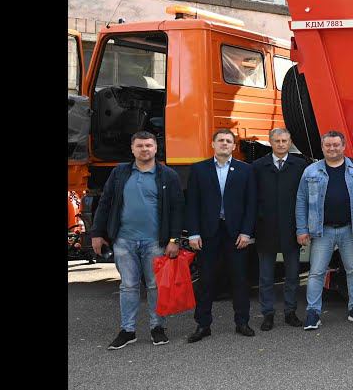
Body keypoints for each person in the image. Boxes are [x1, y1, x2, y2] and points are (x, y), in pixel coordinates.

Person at [92, 131, 184, 349]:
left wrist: (174, 239)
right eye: (140, 146)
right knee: (128, 286)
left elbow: (177, 209)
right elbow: (105, 203)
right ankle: (128, 330)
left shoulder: (168, 175)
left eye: (149, 145)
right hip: (124, 241)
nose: (145, 149)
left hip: (155, 242)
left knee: (155, 286)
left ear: (156, 149)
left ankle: (157, 328)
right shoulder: (119, 173)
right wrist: (96, 233)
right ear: (132, 149)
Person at [185, 128, 258, 343]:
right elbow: (192, 204)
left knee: (240, 279)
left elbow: (251, 204)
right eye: (220, 140)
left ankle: (242, 322)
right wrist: (193, 233)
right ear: (213, 144)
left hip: (236, 234)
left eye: (228, 141)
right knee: (206, 280)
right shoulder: (199, 169)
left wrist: (246, 232)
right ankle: (203, 325)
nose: (224, 143)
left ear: (234, 146)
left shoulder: (246, 170)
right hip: (208, 233)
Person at [296, 130, 353, 330]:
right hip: (322, 231)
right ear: (322, 147)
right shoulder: (311, 171)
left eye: (336, 145)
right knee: (316, 272)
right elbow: (301, 200)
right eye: (328, 145)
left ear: (343, 146)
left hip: (350, 229)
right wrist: (302, 229)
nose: (332, 148)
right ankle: (313, 313)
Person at [252, 128, 308, 330]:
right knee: (266, 277)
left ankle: (290, 312)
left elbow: (305, 197)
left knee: (292, 275)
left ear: (290, 142)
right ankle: (268, 314)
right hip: (265, 228)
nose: (281, 144)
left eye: (284, 140)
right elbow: (252, 198)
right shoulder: (258, 166)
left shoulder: (300, 166)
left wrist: (303, 227)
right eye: (277, 141)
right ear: (270, 142)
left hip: (291, 228)